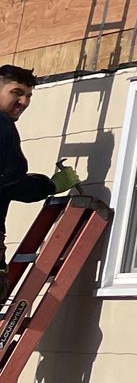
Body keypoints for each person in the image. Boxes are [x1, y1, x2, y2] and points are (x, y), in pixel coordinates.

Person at [0, 65, 72, 253]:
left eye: (28, 95)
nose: (23, 102)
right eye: (16, 93)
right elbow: (11, 183)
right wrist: (50, 186)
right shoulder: (3, 126)